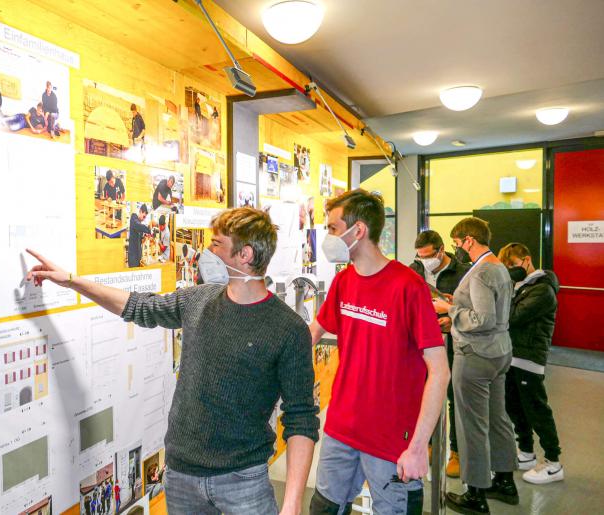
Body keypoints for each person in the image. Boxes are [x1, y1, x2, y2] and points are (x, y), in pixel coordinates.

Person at [25, 207, 319, 515]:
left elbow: (301, 416)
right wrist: (71, 281)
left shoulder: (287, 329)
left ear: (244, 254)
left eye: (217, 244)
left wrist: (293, 500)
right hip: (182, 476)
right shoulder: (198, 299)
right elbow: (138, 306)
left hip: (243, 481)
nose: (208, 251)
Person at [309, 189, 449, 515]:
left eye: (332, 228)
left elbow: (440, 371)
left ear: (358, 231)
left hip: (392, 439)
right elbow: (313, 333)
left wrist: (417, 447)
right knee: (324, 509)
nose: (328, 236)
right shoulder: (344, 281)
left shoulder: (408, 286)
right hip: (341, 428)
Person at [432, 217, 518, 514]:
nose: (458, 249)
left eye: (458, 243)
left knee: (472, 426)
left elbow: (483, 320)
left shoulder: (480, 272)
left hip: (476, 355)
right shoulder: (499, 268)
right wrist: (456, 309)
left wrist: (449, 308)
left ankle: (476, 493)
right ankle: (505, 481)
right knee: (497, 417)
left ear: (469, 239)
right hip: (499, 351)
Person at [498, 242, 563, 484]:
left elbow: (513, 317)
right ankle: (526, 452)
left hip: (529, 358)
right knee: (515, 407)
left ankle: (554, 462)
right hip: (512, 356)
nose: (512, 270)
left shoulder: (542, 289)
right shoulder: (520, 286)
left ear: (526, 260)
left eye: (513, 265)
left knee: (537, 410)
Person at [409, 229, 470, 477]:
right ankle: (428, 444)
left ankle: (456, 451)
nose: (424, 261)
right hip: (423, 344)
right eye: (420, 256)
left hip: (454, 344)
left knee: (454, 397)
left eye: (428, 256)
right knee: (424, 394)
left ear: (441, 250)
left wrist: (450, 318)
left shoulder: (463, 273)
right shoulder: (413, 270)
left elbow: (471, 308)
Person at [127, 204, 151, 268]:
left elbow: (140, 240)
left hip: (138, 256)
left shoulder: (139, 224)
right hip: (133, 257)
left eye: (145, 217)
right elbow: (137, 226)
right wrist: (149, 230)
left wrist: (145, 236)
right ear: (140, 211)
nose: (143, 219)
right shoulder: (134, 217)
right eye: (143, 216)